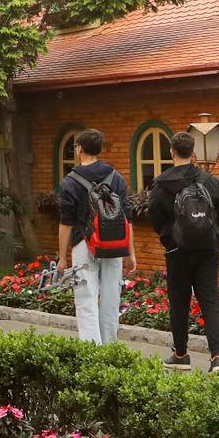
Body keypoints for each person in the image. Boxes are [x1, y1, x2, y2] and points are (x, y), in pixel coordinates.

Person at [147, 129, 219, 372]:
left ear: (171, 152)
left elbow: (153, 216)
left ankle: (181, 355)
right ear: (193, 152)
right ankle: (217, 359)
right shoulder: (209, 180)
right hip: (207, 249)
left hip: (177, 250)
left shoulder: (162, 183)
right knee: (210, 300)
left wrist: (169, 237)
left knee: (180, 303)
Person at [56, 128, 137, 345]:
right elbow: (126, 217)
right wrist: (131, 253)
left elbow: (66, 223)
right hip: (114, 242)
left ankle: (92, 350)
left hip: (84, 243)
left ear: (80, 149)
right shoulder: (116, 177)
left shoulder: (70, 182)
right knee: (111, 297)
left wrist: (62, 257)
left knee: (86, 297)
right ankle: (110, 347)